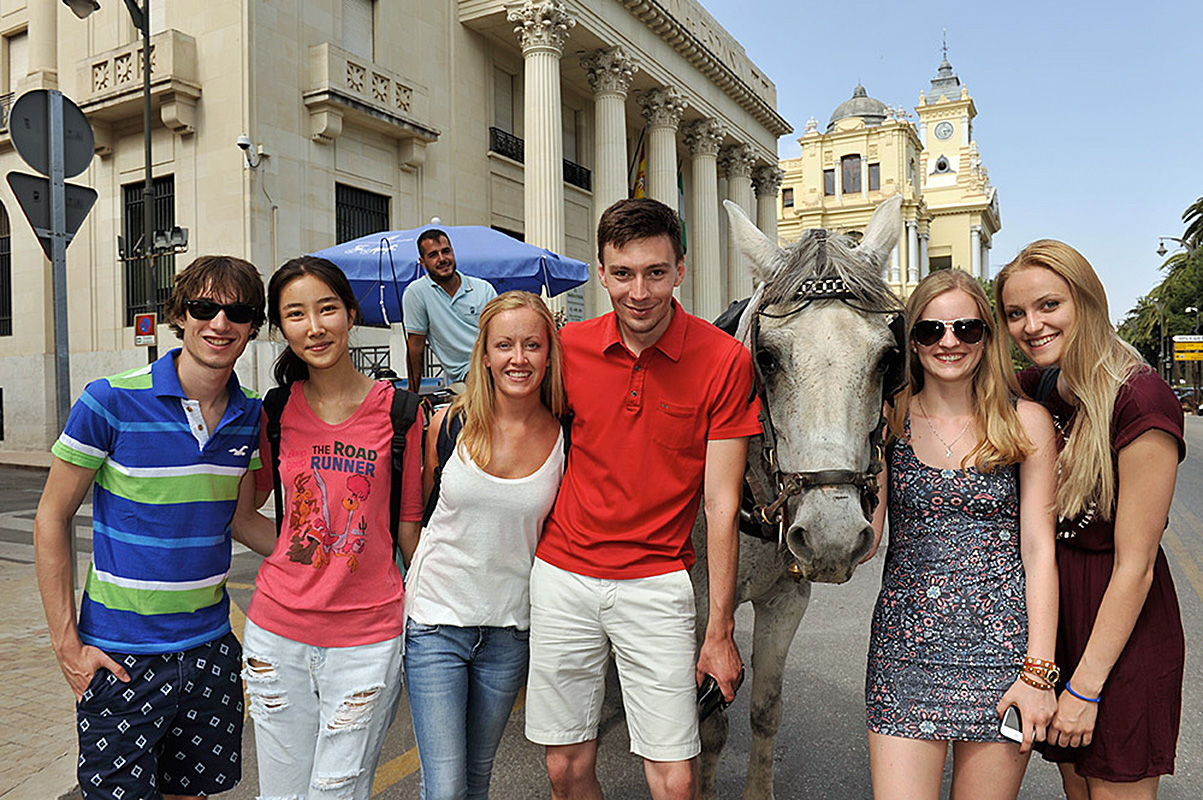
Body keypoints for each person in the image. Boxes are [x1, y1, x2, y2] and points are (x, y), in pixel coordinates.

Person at [524, 198, 762, 800]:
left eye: (655, 272)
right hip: (563, 575)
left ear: (680, 269)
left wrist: (720, 630)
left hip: (657, 583)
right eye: (623, 273)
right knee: (564, 769)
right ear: (601, 273)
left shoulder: (724, 360)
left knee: (675, 779)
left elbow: (722, 503)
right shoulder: (566, 348)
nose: (639, 292)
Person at [33, 255, 266, 800]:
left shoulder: (251, 415)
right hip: (120, 657)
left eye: (238, 312)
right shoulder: (109, 400)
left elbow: (241, 519)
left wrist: (336, 560)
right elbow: (51, 517)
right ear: (179, 315)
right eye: (203, 308)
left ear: (254, 326)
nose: (220, 323)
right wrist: (67, 646)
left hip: (210, 651)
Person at [997, 240, 1186, 800]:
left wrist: (1084, 689)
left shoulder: (1140, 399)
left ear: (1087, 301)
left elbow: (1136, 566)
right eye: (1015, 313)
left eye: (1049, 305)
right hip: (1066, 621)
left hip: (1121, 636)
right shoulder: (1041, 387)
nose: (1032, 325)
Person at [231, 256, 424, 800]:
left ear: (351, 313)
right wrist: (300, 551)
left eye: (327, 309)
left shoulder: (401, 414)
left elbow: (408, 533)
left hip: (367, 639)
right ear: (280, 328)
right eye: (296, 314)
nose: (314, 327)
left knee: (336, 791)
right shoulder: (273, 412)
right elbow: (243, 517)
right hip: (275, 634)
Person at [864, 268, 1060, 800]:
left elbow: (1039, 550)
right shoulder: (888, 420)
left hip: (1003, 658)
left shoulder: (1026, 422)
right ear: (912, 341)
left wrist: (1039, 673)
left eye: (966, 329)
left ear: (987, 337)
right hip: (904, 655)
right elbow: (867, 539)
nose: (948, 342)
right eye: (931, 330)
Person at [404, 290, 567, 800]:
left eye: (532, 345)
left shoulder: (566, 436)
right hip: (436, 625)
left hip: (509, 632)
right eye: (504, 345)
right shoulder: (449, 424)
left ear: (549, 354)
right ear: (486, 354)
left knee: (477, 780)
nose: (518, 358)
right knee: (445, 788)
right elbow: (419, 518)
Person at [403, 228, 498, 393]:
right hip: (468, 375)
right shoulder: (416, 293)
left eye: (446, 251)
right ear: (422, 262)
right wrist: (412, 394)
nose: (442, 259)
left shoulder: (483, 289)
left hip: (496, 365)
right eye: (433, 255)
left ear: (453, 252)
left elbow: (501, 335)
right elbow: (415, 348)